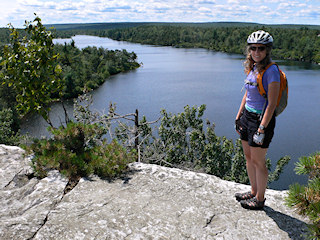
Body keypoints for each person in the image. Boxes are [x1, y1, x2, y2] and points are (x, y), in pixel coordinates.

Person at [234, 30, 280, 210]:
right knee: (248, 157)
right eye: (253, 48)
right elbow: (247, 94)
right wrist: (239, 117)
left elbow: (272, 103)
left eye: (261, 48)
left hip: (261, 121)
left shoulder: (272, 71)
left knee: (259, 161)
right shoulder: (253, 67)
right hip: (247, 117)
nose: (256, 52)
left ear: (267, 50)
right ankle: (253, 191)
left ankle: (260, 199)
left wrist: (261, 128)